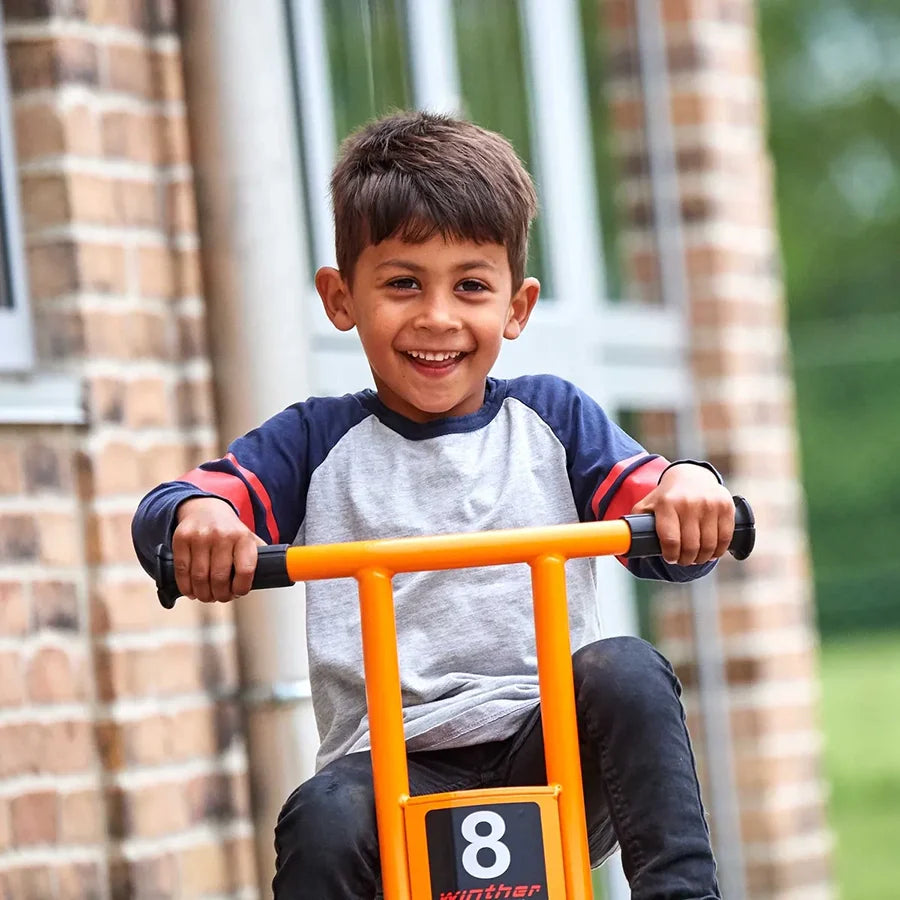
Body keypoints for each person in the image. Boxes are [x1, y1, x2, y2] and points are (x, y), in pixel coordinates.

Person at [132, 111, 735, 900]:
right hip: (388, 774)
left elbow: (654, 502)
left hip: (548, 743)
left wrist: (691, 483)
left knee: (625, 669)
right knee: (321, 815)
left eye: (471, 286)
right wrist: (195, 520)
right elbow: (190, 500)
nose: (438, 317)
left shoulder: (552, 418)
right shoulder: (315, 441)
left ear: (516, 308)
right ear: (341, 296)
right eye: (403, 283)